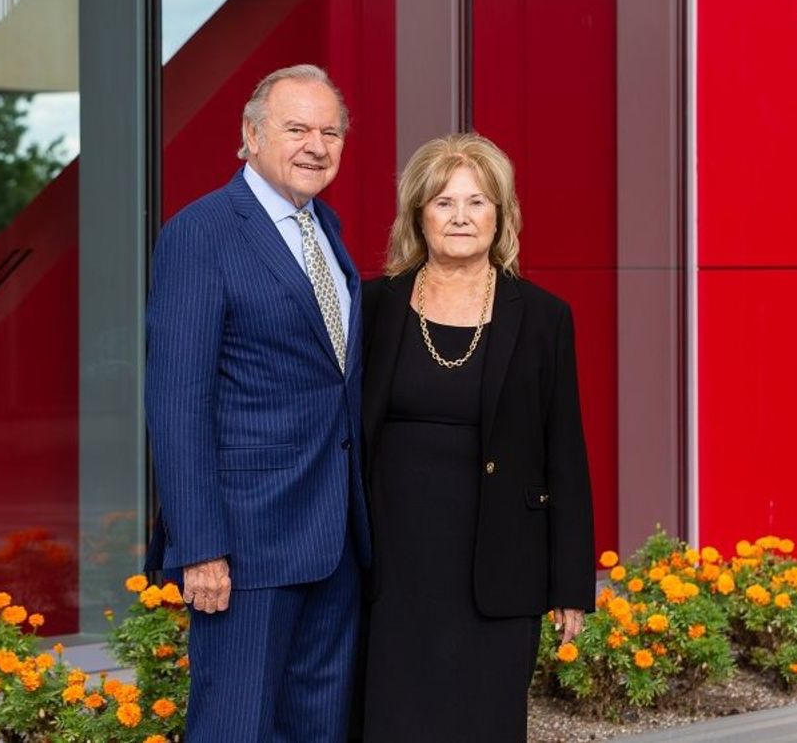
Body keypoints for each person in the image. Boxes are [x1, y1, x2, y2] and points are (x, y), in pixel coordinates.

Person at [143, 64, 370, 743]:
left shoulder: (324, 227)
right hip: (246, 546)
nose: (316, 145)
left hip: (334, 538)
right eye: (297, 128)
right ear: (250, 135)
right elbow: (178, 400)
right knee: (235, 726)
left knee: (319, 727)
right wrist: (201, 546)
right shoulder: (203, 232)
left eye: (330, 131)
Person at [359, 132, 595, 741]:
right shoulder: (373, 306)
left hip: (498, 565)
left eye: (477, 202)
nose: (460, 217)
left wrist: (570, 584)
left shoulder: (544, 317)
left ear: (501, 216)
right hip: (390, 569)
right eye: (443, 202)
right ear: (418, 214)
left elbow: (563, 452)